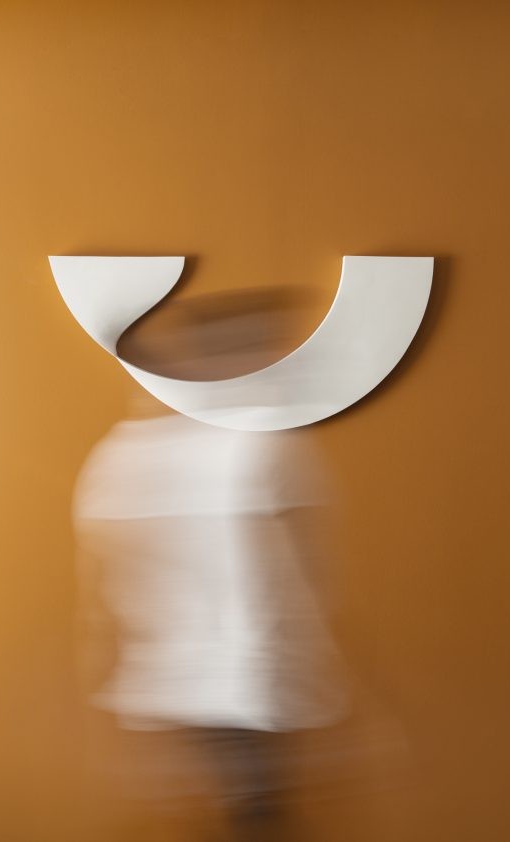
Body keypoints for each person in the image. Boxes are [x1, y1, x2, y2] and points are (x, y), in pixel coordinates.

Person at [73, 288, 346, 841]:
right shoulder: (259, 443)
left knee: (227, 815)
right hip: (249, 676)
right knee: (256, 818)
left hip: (167, 678)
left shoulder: (126, 448)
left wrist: (105, 653)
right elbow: (300, 574)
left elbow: (100, 574)